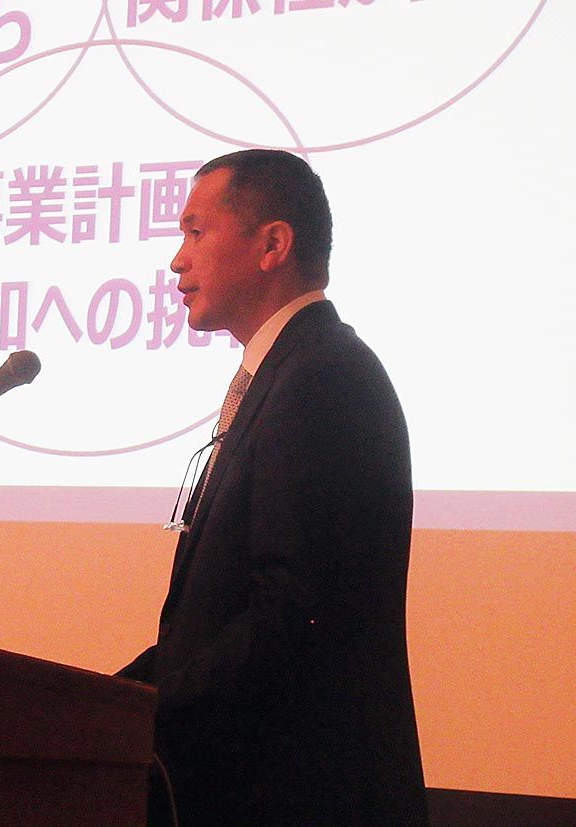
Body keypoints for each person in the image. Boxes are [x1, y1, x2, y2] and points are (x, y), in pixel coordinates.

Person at [118, 149, 428, 826]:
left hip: (300, 798)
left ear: (273, 246)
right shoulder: (290, 373)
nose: (176, 260)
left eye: (195, 231)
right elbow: (219, 620)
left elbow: (291, 613)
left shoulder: (322, 378)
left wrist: (141, 709)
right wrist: (106, 699)